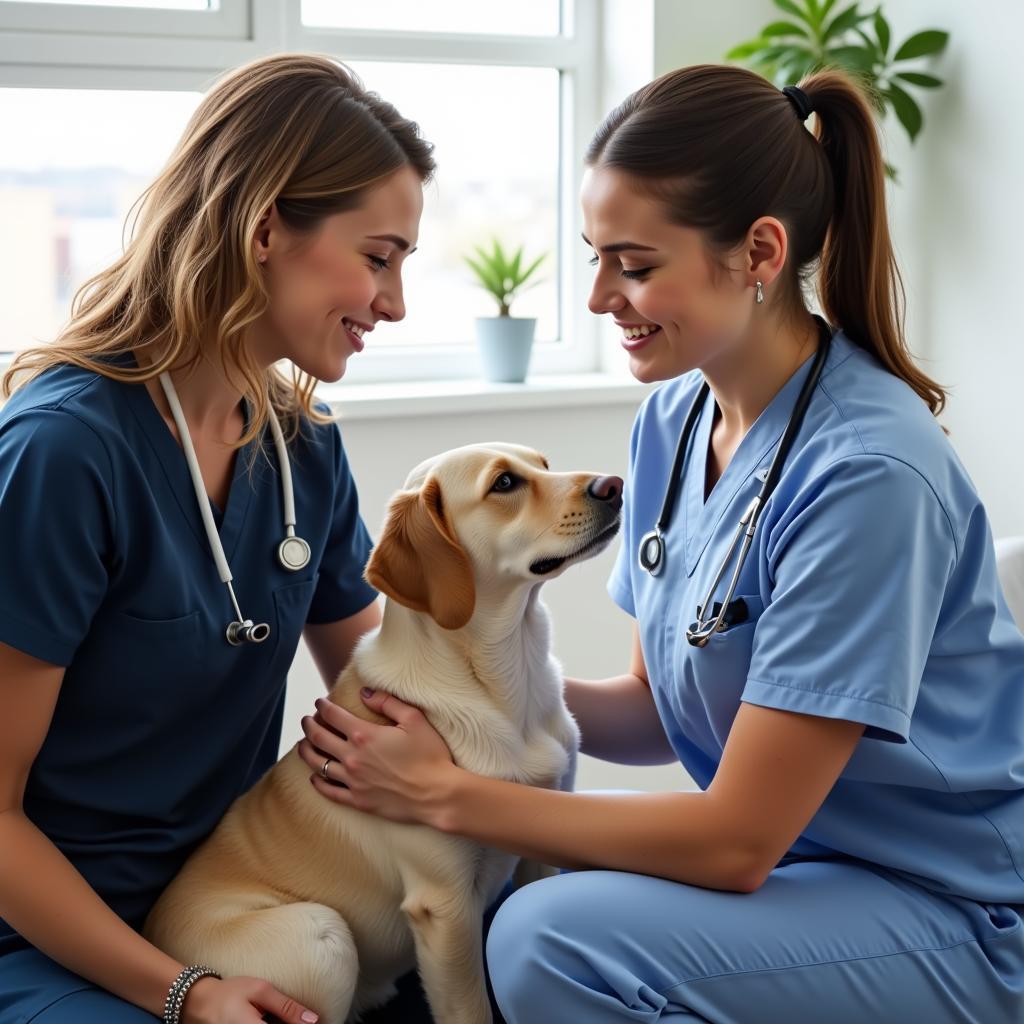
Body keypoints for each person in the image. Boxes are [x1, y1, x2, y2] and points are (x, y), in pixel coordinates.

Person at [297, 65, 1024, 1022]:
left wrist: (449, 796)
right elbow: (651, 708)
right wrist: (467, 715)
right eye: (595, 256)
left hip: (943, 906)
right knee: (529, 904)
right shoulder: (674, 421)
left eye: (634, 265)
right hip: (800, 876)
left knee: (539, 934)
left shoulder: (868, 475)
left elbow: (734, 842)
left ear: (759, 252)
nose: (600, 296)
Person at [0, 53, 438, 1024]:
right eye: (378, 256)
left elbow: (392, 698)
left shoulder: (303, 454)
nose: (396, 302)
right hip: (48, 934)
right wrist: (184, 990)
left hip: (233, 904)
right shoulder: (65, 453)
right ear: (266, 227)